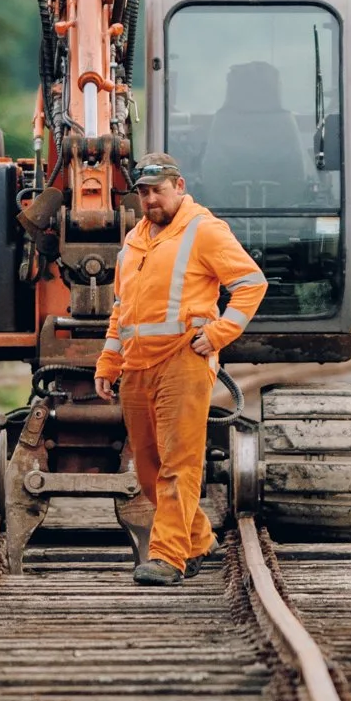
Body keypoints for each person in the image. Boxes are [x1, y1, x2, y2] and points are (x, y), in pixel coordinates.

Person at [94, 152, 266, 586]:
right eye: (143, 192)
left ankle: (168, 557)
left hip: (183, 362)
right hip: (137, 366)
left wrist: (220, 333)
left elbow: (250, 284)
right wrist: (108, 362)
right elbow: (121, 311)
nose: (150, 200)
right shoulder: (133, 242)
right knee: (148, 468)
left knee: (178, 464)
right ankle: (198, 540)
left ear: (180, 187)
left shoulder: (204, 231)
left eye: (158, 191)